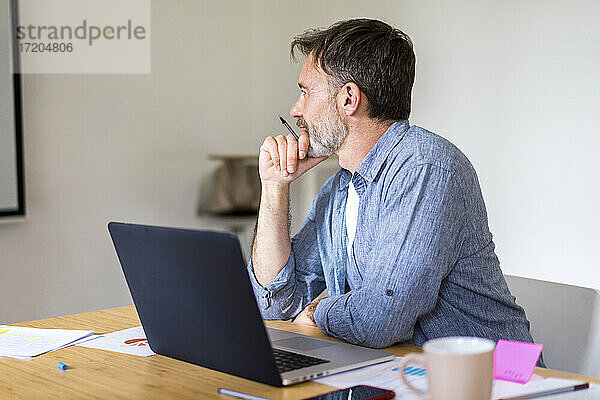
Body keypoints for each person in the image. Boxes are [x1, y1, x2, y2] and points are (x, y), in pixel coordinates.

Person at [247, 18, 539, 358]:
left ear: (348, 99)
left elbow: (379, 322)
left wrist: (317, 313)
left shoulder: (427, 169)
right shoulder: (338, 191)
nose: (296, 109)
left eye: (305, 91)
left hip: (494, 382)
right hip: (400, 376)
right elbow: (275, 303)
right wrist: (273, 186)